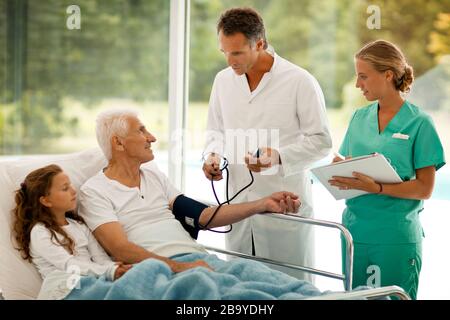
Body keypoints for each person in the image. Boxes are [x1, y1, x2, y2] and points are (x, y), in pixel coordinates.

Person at [78, 109, 301, 275]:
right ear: (118, 143)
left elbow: (203, 216)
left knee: (262, 277)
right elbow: (120, 249)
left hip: (199, 259)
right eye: (141, 130)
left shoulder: (154, 177)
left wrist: (262, 204)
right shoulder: (94, 191)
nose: (152, 137)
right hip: (162, 269)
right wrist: (182, 268)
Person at [202, 7, 332, 280]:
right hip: (238, 205)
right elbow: (216, 130)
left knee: (290, 289)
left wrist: (278, 156)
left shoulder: (299, 81)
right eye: (224, 51)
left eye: (237, 52)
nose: (229, 61)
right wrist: (212, 156)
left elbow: (322, 142)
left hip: (284, 208)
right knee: (240, 288)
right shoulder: (223, 81)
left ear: (259, 44)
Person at [329, 40, 445, 299]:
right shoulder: (359, 118)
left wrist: (378, 187)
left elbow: (425, 188)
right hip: (354, 232)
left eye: (363, 76)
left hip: (395, 236)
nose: (358, 84)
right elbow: (350, 163)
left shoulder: (419, 123)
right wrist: (341, 168)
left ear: (388, 75)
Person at [12, 164, 132, 300]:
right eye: (65, 188)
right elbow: (69, 266)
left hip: (91, 281)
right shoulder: (40, 232)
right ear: (45, 200)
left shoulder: (79, 226)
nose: (73, 191)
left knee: (144, 270)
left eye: (70, 185)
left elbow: (101, 259)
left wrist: (117, 268)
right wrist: (109, 271)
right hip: (65, 289)